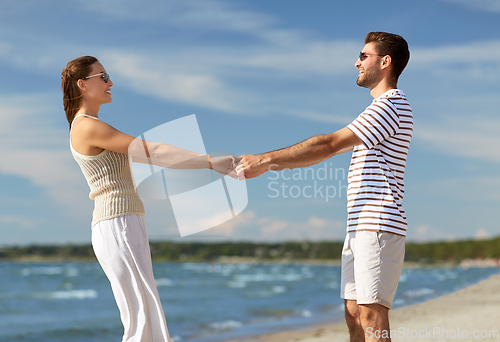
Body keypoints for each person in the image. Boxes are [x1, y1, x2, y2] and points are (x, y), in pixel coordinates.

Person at [236, 32, 411, 342]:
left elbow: (328, 144)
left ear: (385, 62)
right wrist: (269, 165)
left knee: (372, 314)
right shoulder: (377, 110)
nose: (356, 62)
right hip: (359, 227)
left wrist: (264, 159)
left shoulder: (391, 104)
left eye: (364, 56)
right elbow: (321, 151)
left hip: (378, 223)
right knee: (354, 313)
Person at [61, 56, 237, 342]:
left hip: (124, 222)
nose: (110, 83)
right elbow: (151, 151)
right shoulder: (86, 126)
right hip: (117, 224)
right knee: (141, 321)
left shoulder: (90, 124)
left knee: (146, 316)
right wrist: (208, 161)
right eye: (103, 77)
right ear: (82, 84)